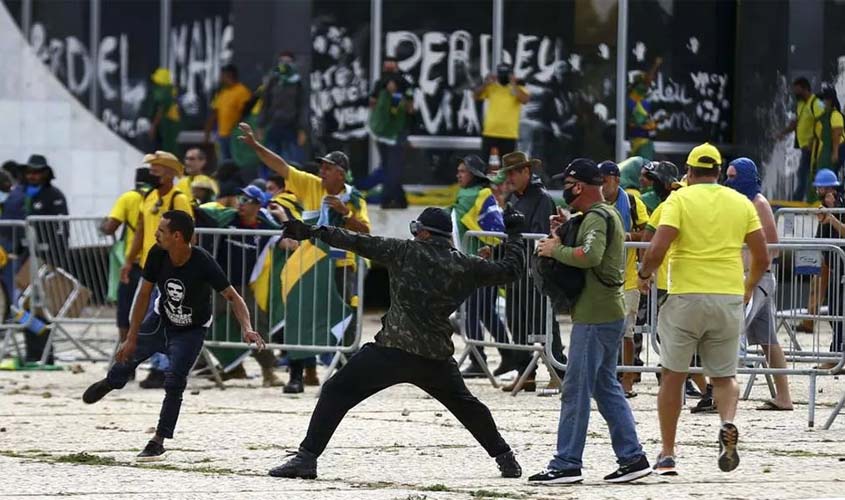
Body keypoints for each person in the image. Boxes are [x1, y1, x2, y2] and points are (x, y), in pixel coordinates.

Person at [267, 206, 527, 480]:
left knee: (335, 391)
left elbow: (355, 241)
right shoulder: (465, 264)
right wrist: (515, 235)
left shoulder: (404, 251)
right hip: (435, 357)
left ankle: (306, 459)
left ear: (423, 232)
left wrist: (311, 231)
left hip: (392, 351)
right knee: (468, 407)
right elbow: (510, 270)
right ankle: (505, 459)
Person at [82, 210, 265, 460]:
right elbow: (143, 295)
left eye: (161, 231)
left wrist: (247, 327)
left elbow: (233, 296)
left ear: (177, 236)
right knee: (126, 358)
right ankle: (112, 382)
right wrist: (132, 337)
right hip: (160, 321)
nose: (155, 234)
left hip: (190, 330)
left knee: (175, 382)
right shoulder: (157, 254)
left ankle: (158, 440)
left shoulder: (203, 262)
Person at [638, 143, 769, 475]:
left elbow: (657, 248)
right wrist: (749, 286)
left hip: (685, 297)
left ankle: (667, 454)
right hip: (727, 296)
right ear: (719, 171)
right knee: (724, 377)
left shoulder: (679, 199)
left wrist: (644, 275)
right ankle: (727, 422)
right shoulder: (740, 202)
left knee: (672, 376)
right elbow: (762, 255)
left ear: (690, 171)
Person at [530, 159, 650, 485]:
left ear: (579, 186)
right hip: (605, 313)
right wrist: (566, 228)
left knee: (575, 389)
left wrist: (555, 250)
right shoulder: (599, 215)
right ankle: (633, 457)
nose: (564, 189)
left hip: (596, 317)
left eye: (567, 183)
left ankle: (566, 462)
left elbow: (591, 255)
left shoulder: (598, 216)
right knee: (606, 387)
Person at [238, 122, 369, 392]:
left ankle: (344, 376)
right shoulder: (311, 186)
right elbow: (281, 166)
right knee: (300, 317)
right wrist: (255, 146)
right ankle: (297, 375)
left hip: (342, 266)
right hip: (309, 265)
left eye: (327, 168)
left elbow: (366, 231)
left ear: (341, 173)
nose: (321, 172)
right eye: (321, 167)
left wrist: (345, 213)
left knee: (344, 320)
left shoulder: (355, 198)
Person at [121, 151, 194, 389]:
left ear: (170, 172)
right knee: (147, 318)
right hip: (150, 266)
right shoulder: (149, 196)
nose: (151, 173)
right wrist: (129, 260)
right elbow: (141, 231)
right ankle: (152, 365)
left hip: (171, 268)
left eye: (156, 169)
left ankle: (162, 368)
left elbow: (190, 234)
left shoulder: (179, 199)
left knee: (164, 319)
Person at [725, 158, 794, 410]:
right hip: (750, 277)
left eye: (733, 176)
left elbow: (773, 246)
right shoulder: (741, 203)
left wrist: (750, 275)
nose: (729, 181)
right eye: (727, 176)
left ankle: (720, 392)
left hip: (757, 279)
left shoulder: (759, 203)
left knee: (730, 332)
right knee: (769, 341)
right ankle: (784, 397)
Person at [496, 152, 565, 391]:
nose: (510, 177)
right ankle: (525, 373)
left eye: (515, 172)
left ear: (527, 172)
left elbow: (538, 235)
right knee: (517, 323)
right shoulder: (514, 199)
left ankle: (559, 371)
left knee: (544, 322)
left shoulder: (541, 199)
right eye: (508, 173)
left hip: (535, 272)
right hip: (516, 272)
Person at [1, 154, 69, 364]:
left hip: (42, 258)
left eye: (37, 172)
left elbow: (61, 228)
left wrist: (56, 259)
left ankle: (43, 353)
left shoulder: (54, 195)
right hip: (17, 258)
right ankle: (34, 352)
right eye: (29, 172)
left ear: (45, 173)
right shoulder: (17, 194)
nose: (33, 176)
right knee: (20, 305)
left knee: (39, 306)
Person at [450, 155, 509, 378]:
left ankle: (479, 360)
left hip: (483, 265)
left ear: (473, 174)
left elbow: (496, 229)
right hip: (472, 265)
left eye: (463, 171)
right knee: (484, 312)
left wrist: (491, 250)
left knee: (474, 312)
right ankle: (509, 354)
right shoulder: (465, 195)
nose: (458, 174)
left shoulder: (483, 195)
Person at [598, 160, 649, 397]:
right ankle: (605, 376)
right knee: (600, 329)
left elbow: (648, 234)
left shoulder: (631, 202)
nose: (601, 185)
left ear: (616, 179)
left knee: (627, 331)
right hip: (600, 276)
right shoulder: (594, 202)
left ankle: (628, 377)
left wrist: (626, 235)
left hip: (627, 275)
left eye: (604, 180)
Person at [101, 167, 155, 361]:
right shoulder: (158, 198)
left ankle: (126, 356)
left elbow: (110, 227)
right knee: (153, 310)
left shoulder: (128, 198)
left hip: (134, 263)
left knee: (126, 311)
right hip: (157, 263)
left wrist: (102, 225)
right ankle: (154, 358)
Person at [368, 57, 414, 209]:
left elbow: (409, 107)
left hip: (397, 132)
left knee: (394, 166)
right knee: (389, 166)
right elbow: (372, 104)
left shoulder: (404, 84)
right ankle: (400, 199)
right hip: (382, 131)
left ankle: (387, 198)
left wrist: (396, 100)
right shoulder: (379, 85)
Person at [811, 168, 845, 368]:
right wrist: (818, 294)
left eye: (821, 188)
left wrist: (832, 217)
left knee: (840, 311)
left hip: (843, 269)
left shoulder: (840, 207)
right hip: (835, 270)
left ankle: (836, 357)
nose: (819, 192)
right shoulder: (822, 211)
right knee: (834, 311)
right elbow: (822, 250)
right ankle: (836, 355)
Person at [258, 51, 307, 169]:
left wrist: (302, 129)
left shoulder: (298, 83)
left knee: (292, 162)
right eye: (282, 61)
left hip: (291, 127)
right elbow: (265, 104)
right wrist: (261, 126)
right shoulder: (273, 80)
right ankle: (271, 185)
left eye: (288, 62)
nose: (284, 64)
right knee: (270, 160)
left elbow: (302, 107)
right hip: (273, 125)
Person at [781, 77, 825, 202]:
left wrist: (813, 140)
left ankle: (803, 199)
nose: (795, 93)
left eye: (797, 90)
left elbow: (822, 122)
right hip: (805, 147)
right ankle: (801, 199)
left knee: (806, 174)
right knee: (803, 174)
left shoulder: (816, 104)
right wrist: (782, 133)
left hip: (814, 147)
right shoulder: (801, 104)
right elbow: (796, 122)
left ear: (805, 89)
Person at [474, 63, 530, 161]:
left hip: (508, 134)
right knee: (482, 164)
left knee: (506, 167)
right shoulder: (492, 87)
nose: (503, 77)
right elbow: (476, 96)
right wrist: (486, 83)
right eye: (501, 74)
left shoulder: (519, 88)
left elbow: (525, 100)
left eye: (506, 74)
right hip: (490, 132)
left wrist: (513, 84)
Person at [205, 65, 252, 161]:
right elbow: (215, 112)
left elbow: (246, 114)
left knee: (235, 163)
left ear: (229, 75)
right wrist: (207, 133)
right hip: (221, 135)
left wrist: (238, 130)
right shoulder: (223, 92)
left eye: (222, 75)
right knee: (223, 163)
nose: (220, 78)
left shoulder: (242, 91)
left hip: (235, 135)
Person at [627, 58, 662, 160]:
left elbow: (646, 122)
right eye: (643, 84)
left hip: (645, 141)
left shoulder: (644, 102)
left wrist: (656, 122)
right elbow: (637, 123)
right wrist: (655, 65)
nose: (648, 85)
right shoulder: (632, 101)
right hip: (637, 142)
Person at [812, 87, 845, 186]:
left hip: (836, 149)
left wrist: (835, 152)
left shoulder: (835, 115)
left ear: (829, 100)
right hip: (826, 151)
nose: (821, 102)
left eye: (823, 100)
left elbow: (837, 133)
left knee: (831, 177)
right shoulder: (824, 115)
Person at [145, 68, 182, 155]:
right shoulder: (171, 90)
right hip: (170, 125)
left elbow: (160, 110)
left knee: (164, 151)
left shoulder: (163, 92)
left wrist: (153, 126)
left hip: (165, 126)